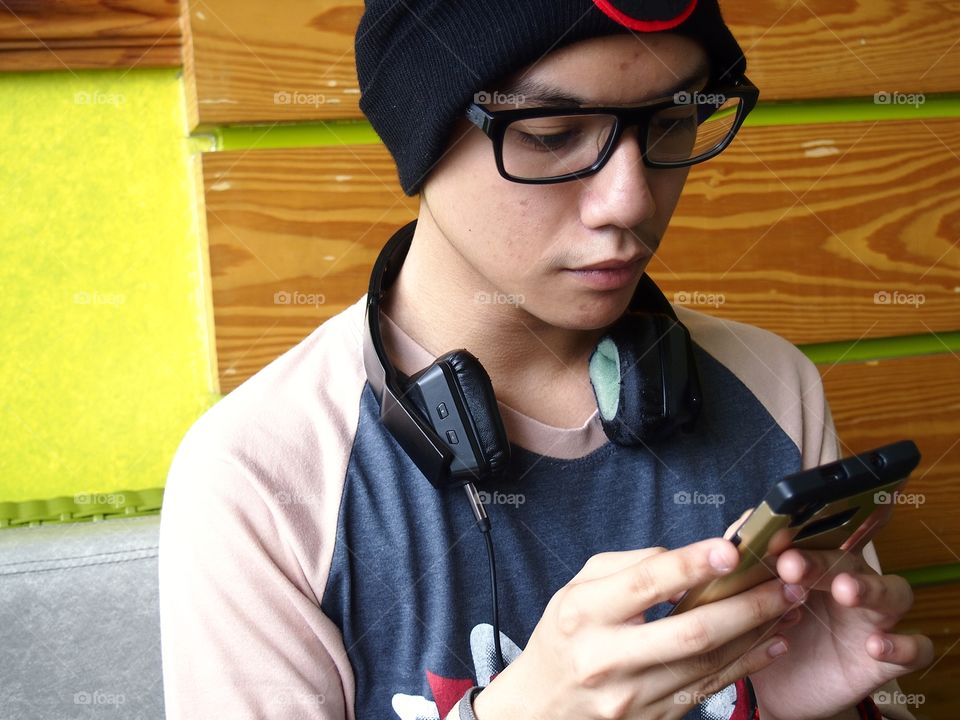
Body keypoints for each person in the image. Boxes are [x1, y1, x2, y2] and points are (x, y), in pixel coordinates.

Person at [157, 1, 934, 718]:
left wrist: (800, 704)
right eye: (551, 134)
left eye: (673, 120)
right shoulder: (258, 478)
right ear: (421, 137)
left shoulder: (775, 385)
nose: (629, 202)